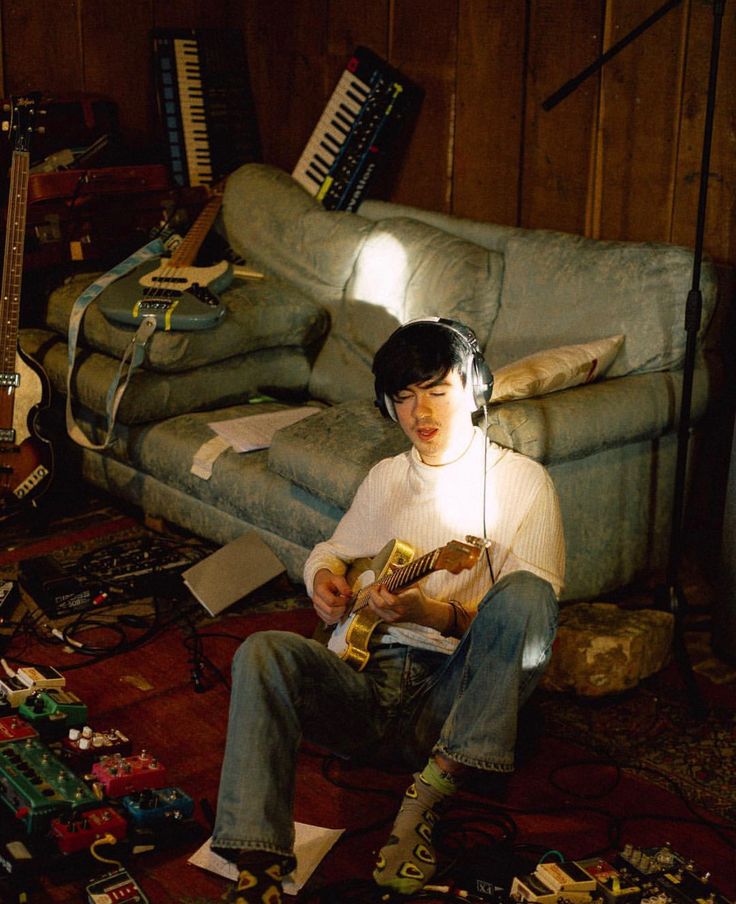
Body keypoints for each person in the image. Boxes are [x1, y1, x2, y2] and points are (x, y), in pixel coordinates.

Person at [211, 318, 565, 903]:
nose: (419, 413)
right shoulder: (386, 478)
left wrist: (433, 614)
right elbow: (334, 549)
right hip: (363, 684)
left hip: (452, 700)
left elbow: (525, 627)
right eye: (403, 397)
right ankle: (258, 868)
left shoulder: (524, 484)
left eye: (436, 391)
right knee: (262, 651)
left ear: (475, 389)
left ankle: (429, 795)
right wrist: (323, 578)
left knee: (527, 593)